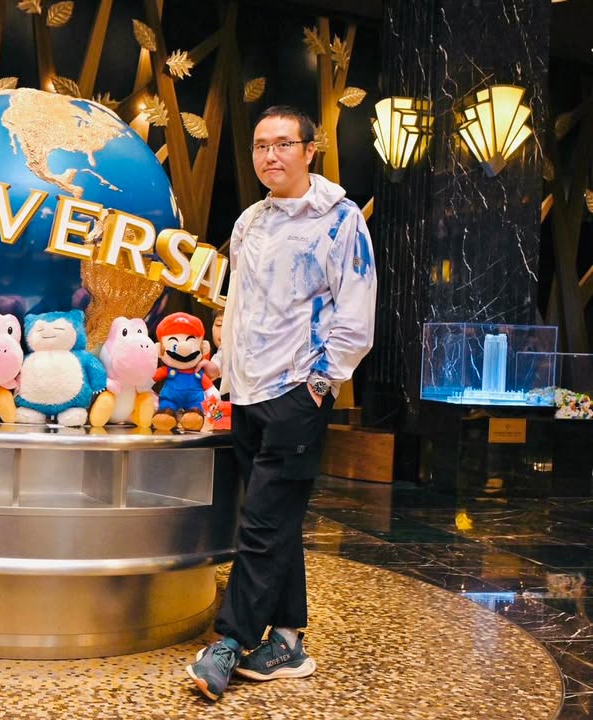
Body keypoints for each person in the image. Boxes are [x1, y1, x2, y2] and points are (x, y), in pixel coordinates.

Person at [186, 105, 376, 701]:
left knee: (262, 523)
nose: (270, 155)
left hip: (298, 390)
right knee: (277, 518)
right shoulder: (250, 221)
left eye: (283, 144)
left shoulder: (340, 219)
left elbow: (357, 313)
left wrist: (321, 383)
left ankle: (230, 641)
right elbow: (240, 305)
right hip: (246, 389)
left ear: (309, 150)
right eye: (261, 146)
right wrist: (225, 372)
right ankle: (288, 641)